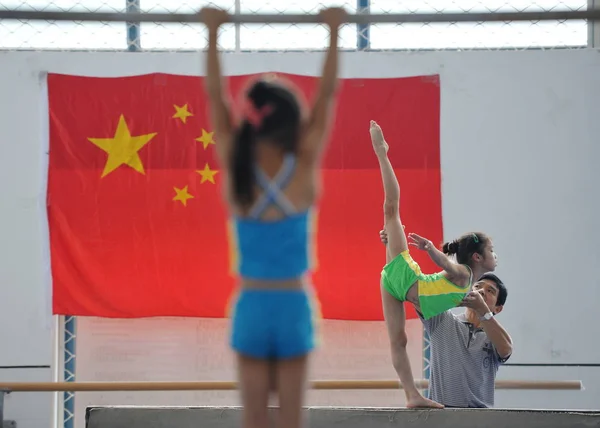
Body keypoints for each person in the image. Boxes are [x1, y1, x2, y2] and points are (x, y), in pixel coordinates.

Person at [199, 6, 346, 428]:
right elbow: (328, 96)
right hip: (292, 302)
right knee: (290, 423)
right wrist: (333, 33)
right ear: (291, 120)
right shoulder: (302, 166)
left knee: (255, 422)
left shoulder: (236, 165)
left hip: (253, 302)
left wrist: (211, 35)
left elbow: (214, 97)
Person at [369, 120, 499, 408]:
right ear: (477, 257)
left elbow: (467, 303)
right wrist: (429, 249)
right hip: (409, 279)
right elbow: (448, 267)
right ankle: (382, 152)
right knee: (391, 209)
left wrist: (390, 244)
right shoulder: (464, 275)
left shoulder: (469, 292)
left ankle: (413, 396)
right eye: (492, 250)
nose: (496, 255)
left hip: (395, 286)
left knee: (398, 341)